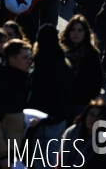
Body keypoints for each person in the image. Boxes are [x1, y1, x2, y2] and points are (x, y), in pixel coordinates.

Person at [26, 24, 74, 169]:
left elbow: (34, 94)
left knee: (42, 160)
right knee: (53, 157)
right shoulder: (64, 61)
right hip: (60, 118)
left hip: (43, 121)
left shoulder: (40, 63)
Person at [0, 39, 32, 166]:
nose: (29, 61)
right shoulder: (0, 85)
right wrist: (2, 156)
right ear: (12, 60)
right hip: (1, 157)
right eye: (25, 58)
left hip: (14, 152)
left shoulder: (18, 80)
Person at [60, 15, 103, 120]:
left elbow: (97, 80)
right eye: (73, 30)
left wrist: (87, 98)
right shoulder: (60, 51)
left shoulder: (91, 54)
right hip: (61, 101)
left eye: (80, 30)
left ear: (85, 33)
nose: (76, 33)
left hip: (81, 103)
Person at [59, 100, 106, 168]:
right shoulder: (71, 132)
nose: (93, 119)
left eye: (98, 117)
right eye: (91, 115)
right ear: (85, 115)